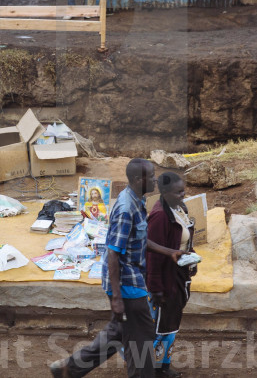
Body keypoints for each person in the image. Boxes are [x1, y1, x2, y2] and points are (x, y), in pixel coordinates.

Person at [49, 159, 182, 378]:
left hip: (132, 279)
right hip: (126, 283)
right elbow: (113, 253)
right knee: (143, 338)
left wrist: (169, 252)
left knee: (119, 332)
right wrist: (117, 297)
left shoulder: (138, 201)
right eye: (152, 175)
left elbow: (138, 240)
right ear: (140, 180)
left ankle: (68, 369)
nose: (156, 179)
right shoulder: (126, 209)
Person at [148, 172, 197, 378]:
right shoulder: (160, 216)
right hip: (165, 279)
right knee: (160, 324)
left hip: (178, 274)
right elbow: (152, 256)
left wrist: (192, 258)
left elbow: (184, 242)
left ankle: (162, 366)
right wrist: (156, 288)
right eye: (178, 192)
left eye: (183, 190)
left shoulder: (177, 209)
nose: (183, 195)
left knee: (170, 323)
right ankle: (149, 368)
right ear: (165, 192)